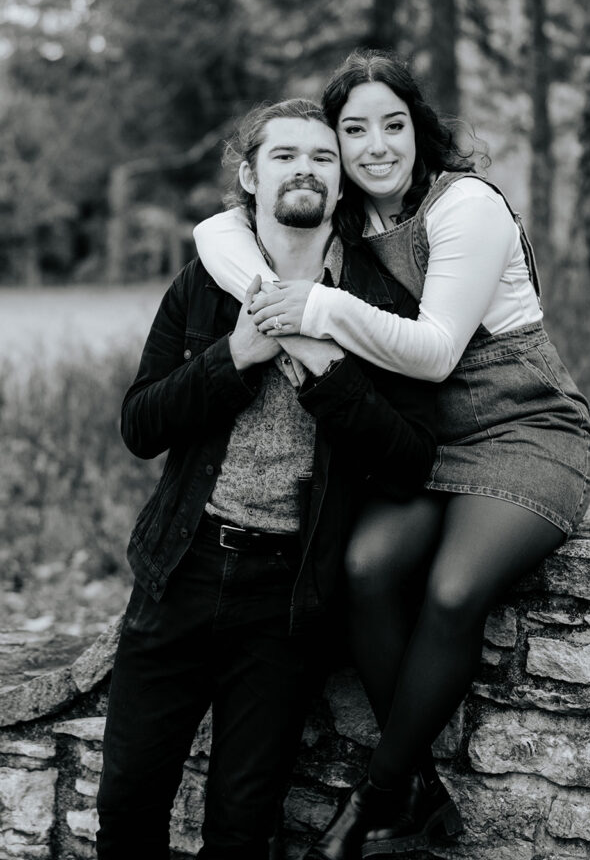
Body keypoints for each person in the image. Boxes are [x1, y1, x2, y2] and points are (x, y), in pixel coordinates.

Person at [193, 51, 590, 860]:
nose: (375, 145)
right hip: (427, 442)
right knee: (364, 568)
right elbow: (214, 231)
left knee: (452, 589)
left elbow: (436, 352)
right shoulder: (345, 215)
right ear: (336, 143)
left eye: (393, 124)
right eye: (353, 130)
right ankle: (417, 791)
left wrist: (314, 306)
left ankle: (377, 796)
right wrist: (279, 305)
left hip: (526, 428)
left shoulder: (465, 205)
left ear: (419, 130)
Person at [96, 97, 438, 860]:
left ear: (341, 182)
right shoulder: (204, 285)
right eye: (284, 155)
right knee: (126, 809)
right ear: (249, 176)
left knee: (243, 830)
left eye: (322, 157)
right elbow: (140, 425)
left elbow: (413, 457)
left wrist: (325, 371)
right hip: (179, 572)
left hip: (286, 599)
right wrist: (235, 357)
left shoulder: (381, 305)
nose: (304, 170)